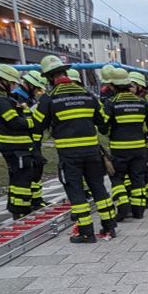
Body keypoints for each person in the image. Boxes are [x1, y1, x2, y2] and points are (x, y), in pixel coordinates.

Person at [35, 55, 116, 243]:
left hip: (69, 156)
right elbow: (104, 123)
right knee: (98, 187)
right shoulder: (88, 95)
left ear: (49, 78)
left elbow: (37, 125)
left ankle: (86, 232)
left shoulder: (49, 98)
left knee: (76, 191)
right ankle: (109, 227)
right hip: (92, 152)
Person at [101, 68, 148, 220]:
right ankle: (138, 210)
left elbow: (103, 126)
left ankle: (123, 205)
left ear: (113, 85)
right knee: (137, 177)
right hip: (139, 148)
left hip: (119, 149)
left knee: (117, 177)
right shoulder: (142, 102)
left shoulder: (110, 103)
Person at [0, 63, 36, 220]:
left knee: (17, 177)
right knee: (22, 178)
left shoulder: (0, 97)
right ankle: (21, 210)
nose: (14, 86)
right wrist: (30, 120)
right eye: (13, 83)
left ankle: (16, 208)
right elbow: (15, 123)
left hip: (12, 144)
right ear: (5, 81)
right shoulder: (1, 100)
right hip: (15, 145)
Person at [18, 69, 49, 210]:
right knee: (28, 172)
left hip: (35, 141)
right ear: (30, 85)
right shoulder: (18, 98)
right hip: (25, 141)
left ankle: (36, 200)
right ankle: (26, 204)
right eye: (37, 89)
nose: (38, 92)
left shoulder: (28, 98)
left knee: (37, 168)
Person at [129, 71, 148, 208]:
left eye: (132, 85)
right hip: (140, 138)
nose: (129, 88)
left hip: (146, 138)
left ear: (140, 87)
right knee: (143, 166)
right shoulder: (136, 99)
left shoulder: (145, 101)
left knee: (145, 166)